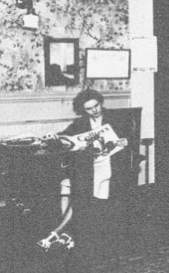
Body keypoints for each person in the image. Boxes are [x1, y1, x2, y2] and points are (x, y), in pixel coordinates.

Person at [38, 89, 132, 256]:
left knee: (79, 191)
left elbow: (128, 139)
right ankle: (65, 233)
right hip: (90, 166)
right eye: (89, 109)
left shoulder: (116, 119)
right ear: (84, 110)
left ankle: (61, 233)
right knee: (71, 187)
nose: (94, 110)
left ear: (100, 103)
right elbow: (66, 137)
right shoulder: (80, 124)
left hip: (112, 164)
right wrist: (55, 138)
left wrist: (124, 141)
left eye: (96, 106)